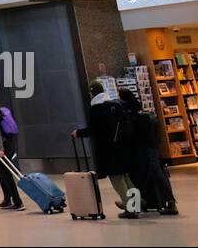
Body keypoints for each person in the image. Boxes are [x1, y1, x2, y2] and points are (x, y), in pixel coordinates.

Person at [72, 80, 140, 219]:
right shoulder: (115, 104)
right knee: (126, 177)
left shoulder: (97, 108)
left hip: (109, 150)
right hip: (123, 146)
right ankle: (137, 204)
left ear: (92, 93)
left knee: (117, 179)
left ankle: (130, 209)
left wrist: (78, 133)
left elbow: (94, 129)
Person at [118, 89, 178, 215]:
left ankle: (167, 202)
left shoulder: (130, 114)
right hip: (152, 149)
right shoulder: (141, 112)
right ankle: (141, 201)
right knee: (156, 175)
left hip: (143, 151)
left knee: (151, 175)